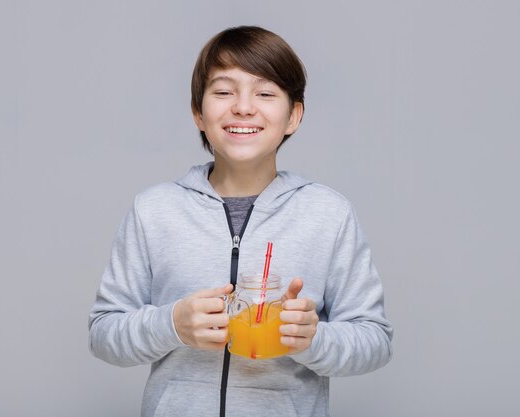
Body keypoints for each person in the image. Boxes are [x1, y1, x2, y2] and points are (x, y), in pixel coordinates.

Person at [89, 26, 393, 417]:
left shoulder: (328, 213)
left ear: (293, 116)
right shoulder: (154, 210)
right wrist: (172, 324)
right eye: (223, 91)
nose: (244, 107)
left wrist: (313, 339)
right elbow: (103, 333)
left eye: (265, 93)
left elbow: (375, 340)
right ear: (199, 113)